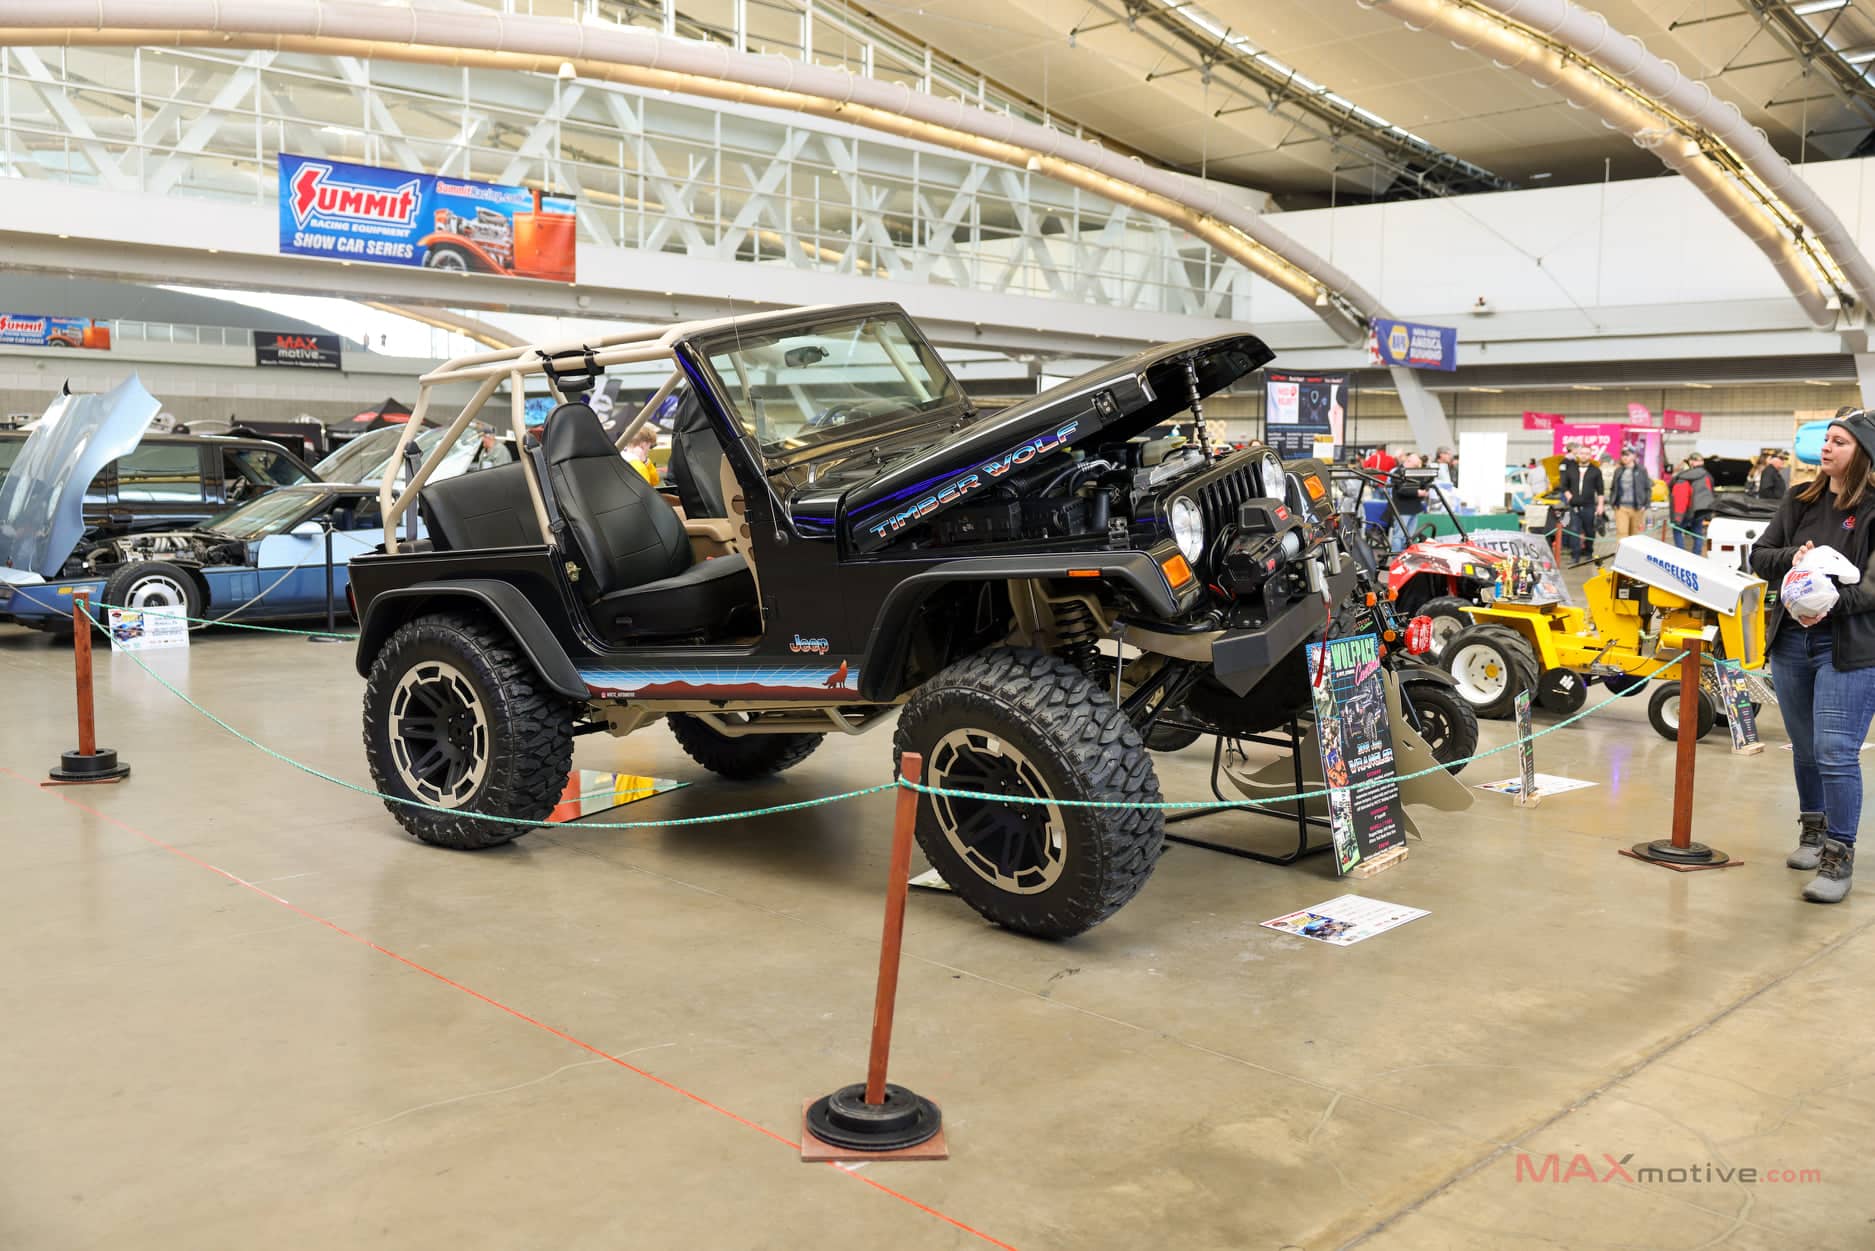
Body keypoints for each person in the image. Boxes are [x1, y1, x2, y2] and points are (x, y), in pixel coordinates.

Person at [1748, 410, 1875, 903]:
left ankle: (1838, 856)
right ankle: (1813, 831)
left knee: (1835, 752)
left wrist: (1825, 605)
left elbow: (1872, 587)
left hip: (1847, 647)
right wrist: (1795, 559)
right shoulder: (1800, 499)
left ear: (1863, 452)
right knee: (1804, 748)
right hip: (1790, 643)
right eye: (1826, 439)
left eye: (1839, 442)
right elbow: (1761, 556)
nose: (1826, 448)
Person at [1556, 444, 1604, 560]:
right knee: (1574, 530)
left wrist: (1600, 505)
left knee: (1589, 531)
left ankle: (1588, 553)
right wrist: (1569, 497)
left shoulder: (1595, 471)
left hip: (1589, 506)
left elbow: (1600, 490)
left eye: (1587, 454)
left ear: (1590, 455)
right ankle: (1575, 556)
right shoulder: (1571, 469)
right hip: (1574, 506)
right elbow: (1563, 485)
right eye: (1582, 453)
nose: (1584, 456)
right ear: (1578, 454)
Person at [1668, 453, 1716, 552]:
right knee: (1697, 533)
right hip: (1700, 510)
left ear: (1691, 462)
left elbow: (1681, 497)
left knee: (1677, 530)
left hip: (1686, 510)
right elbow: (1710, 493)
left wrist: (1678, 517)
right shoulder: (1707, 476)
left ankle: (1680, 554)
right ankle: (1696, 555)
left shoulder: (1684, 477)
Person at [1608, 446, 1652, 540]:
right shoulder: (1618, 470)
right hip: (1621, 507)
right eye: (1623, 455)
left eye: (1627, 455)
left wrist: (1646, 504)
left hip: (1637, 507)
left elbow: (1647, 488)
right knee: (1622, 533)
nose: (1624, 457)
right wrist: (1613, 502)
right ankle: (1621, 550)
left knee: (1635, 535)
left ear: (1634, 456)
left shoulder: (1641, 470)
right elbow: (1613, 488)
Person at [1390, 453, 1429, 547]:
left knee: (1410, 537)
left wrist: (1425, 489)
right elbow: (1401, 490)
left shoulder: (1414, 471)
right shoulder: (1397, 473)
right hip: (1402, 509)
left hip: (1414, 508)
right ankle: (1397, 554)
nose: (1416, 468)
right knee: (1399, 536)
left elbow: (1424, 483)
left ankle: (1406, 553)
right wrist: (1417, 492)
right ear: (1408, 461)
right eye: (1415, 465)